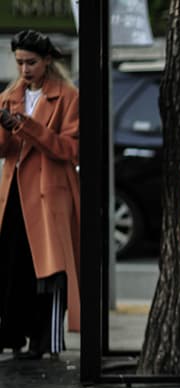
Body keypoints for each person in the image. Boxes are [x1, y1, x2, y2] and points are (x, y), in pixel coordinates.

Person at [0, 30, 80, 361]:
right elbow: (6, 151)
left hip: (49, 194)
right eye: (19, 62)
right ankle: (12, 334)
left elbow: (70, 149)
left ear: (47, 61)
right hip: (15, 192)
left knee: (48, 270)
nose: (24, 70)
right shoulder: (10, 97)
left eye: (31, 62)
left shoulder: (67, 97)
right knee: (11, 265)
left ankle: (43, 340)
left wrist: (25, 126)